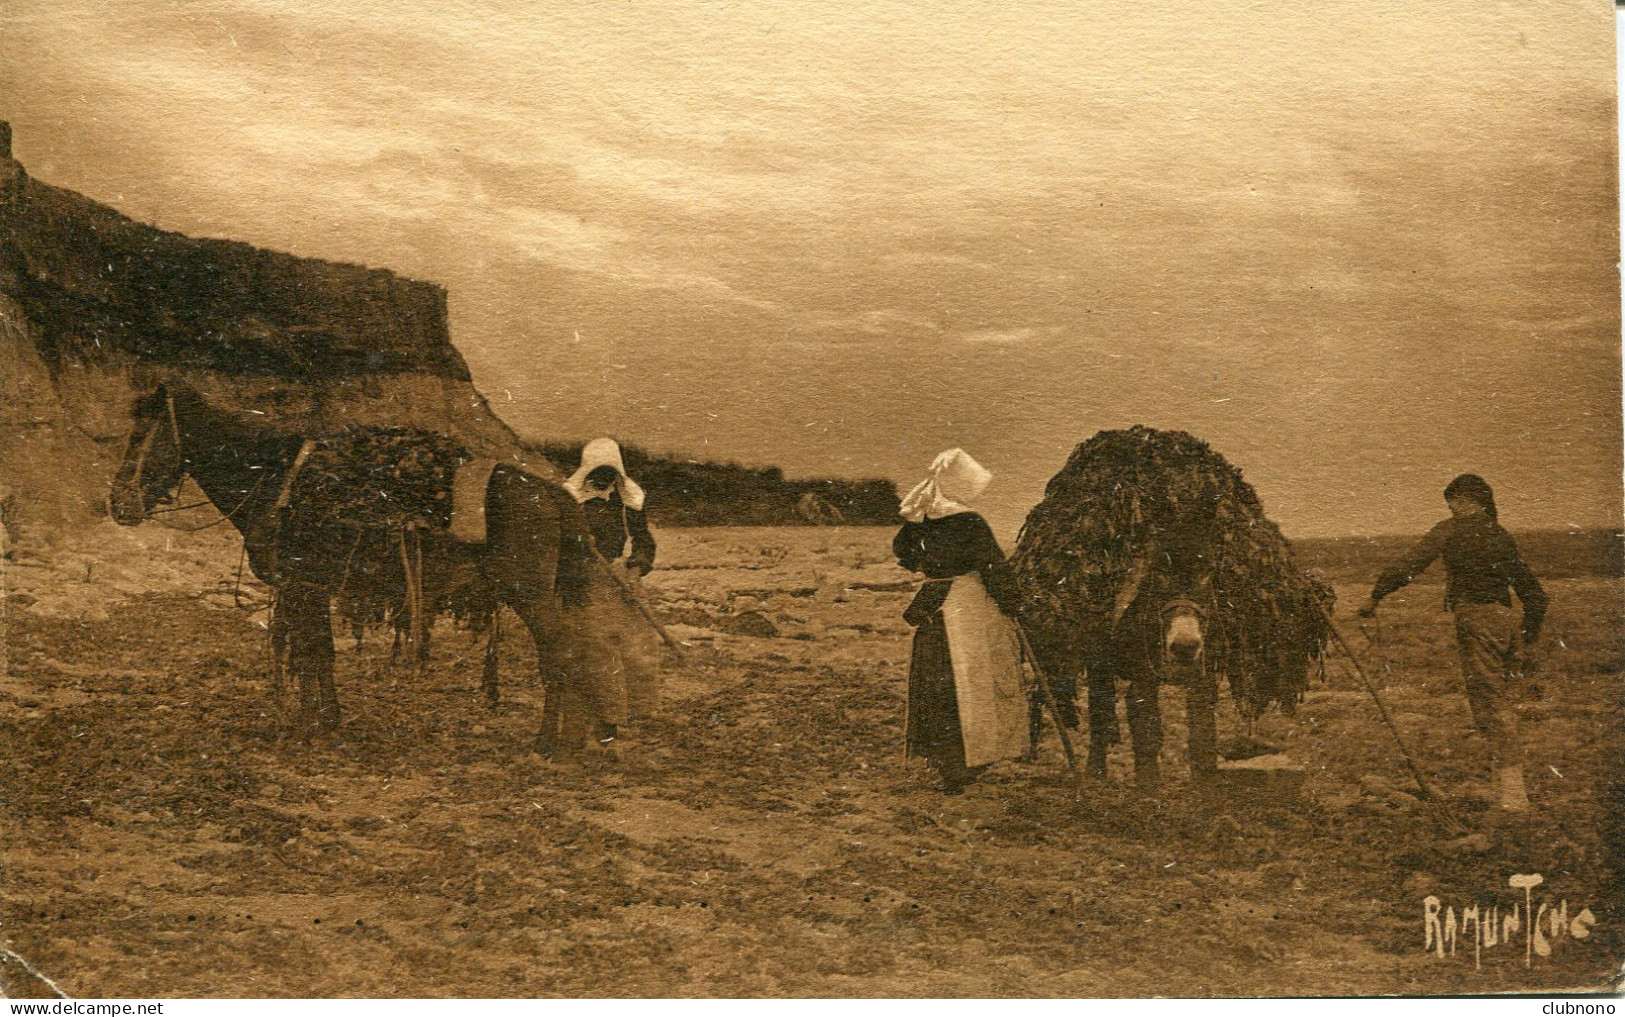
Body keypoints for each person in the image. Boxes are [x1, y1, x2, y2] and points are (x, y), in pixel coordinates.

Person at [1357, 474, 1549, 812]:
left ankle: (1514, 797)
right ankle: (1506, 790)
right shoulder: (1500, 534)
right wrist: (1527, 637)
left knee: (1490, 703)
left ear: (1467, 500)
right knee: (1500, 700)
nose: (1450, 507)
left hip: (1475, 620)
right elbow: (1534, 595)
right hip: (1505, 621)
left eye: (1454, 501)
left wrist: (1375, 596)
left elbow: (1409, 566)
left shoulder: (1450, 529)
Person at [893, 449, 1029, 793]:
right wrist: (1014, 604)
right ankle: (965, 762)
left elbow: (904, 552)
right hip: (966, 606)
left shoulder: (920, 518)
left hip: (934, 607)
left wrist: (930, 569)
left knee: (937, 683)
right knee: (969, 680)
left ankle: (942, 760)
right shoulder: (969, 522)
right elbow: (993, 568)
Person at [557, 438, 662, 753]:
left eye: (610, 472)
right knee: (596, 654)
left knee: (637, 650)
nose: (603, 479)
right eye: (598, 472)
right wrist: (575, 551)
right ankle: (589, 730)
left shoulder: (627, 503)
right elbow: (554, 549)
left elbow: (645, 543)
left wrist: (636, 566)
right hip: (581, 584)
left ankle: (622, 723)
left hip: (619, 581)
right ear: (587, 470)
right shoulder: (569, 501)